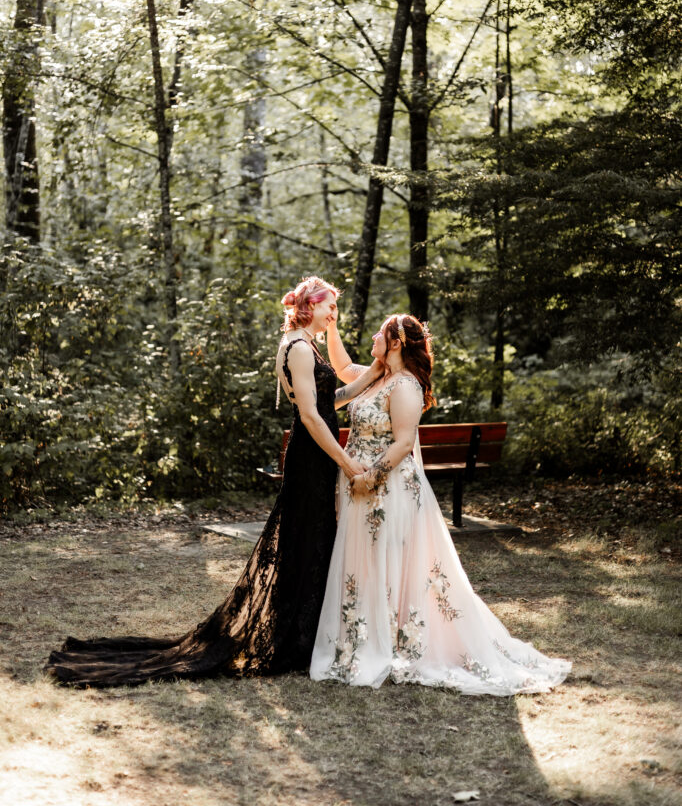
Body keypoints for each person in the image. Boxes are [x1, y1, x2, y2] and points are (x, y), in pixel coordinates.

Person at [46, 276, 379, 687]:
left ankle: (306, 634)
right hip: (313, 458)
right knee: (305, 539)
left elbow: (332, 401)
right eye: (330, 307)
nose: (334, 315)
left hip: (320, 454)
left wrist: (374, 374)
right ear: (311, 305)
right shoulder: (296, 348)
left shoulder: (307, 344)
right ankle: (295, 637)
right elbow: (310, 416)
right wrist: (348, 463)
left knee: (314, 540)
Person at [311, 312, 572, 694]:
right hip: (358, 488)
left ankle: (398, 642)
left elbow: (402, 442)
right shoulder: (377, 376)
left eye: (380, 333)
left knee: (393, 562)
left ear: (396, 342)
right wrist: (331, 328)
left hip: (387, 489)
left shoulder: (406, 386)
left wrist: (370, 476)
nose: (372, 336)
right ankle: (367, 636)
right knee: (367, 563)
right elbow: (345, 367)